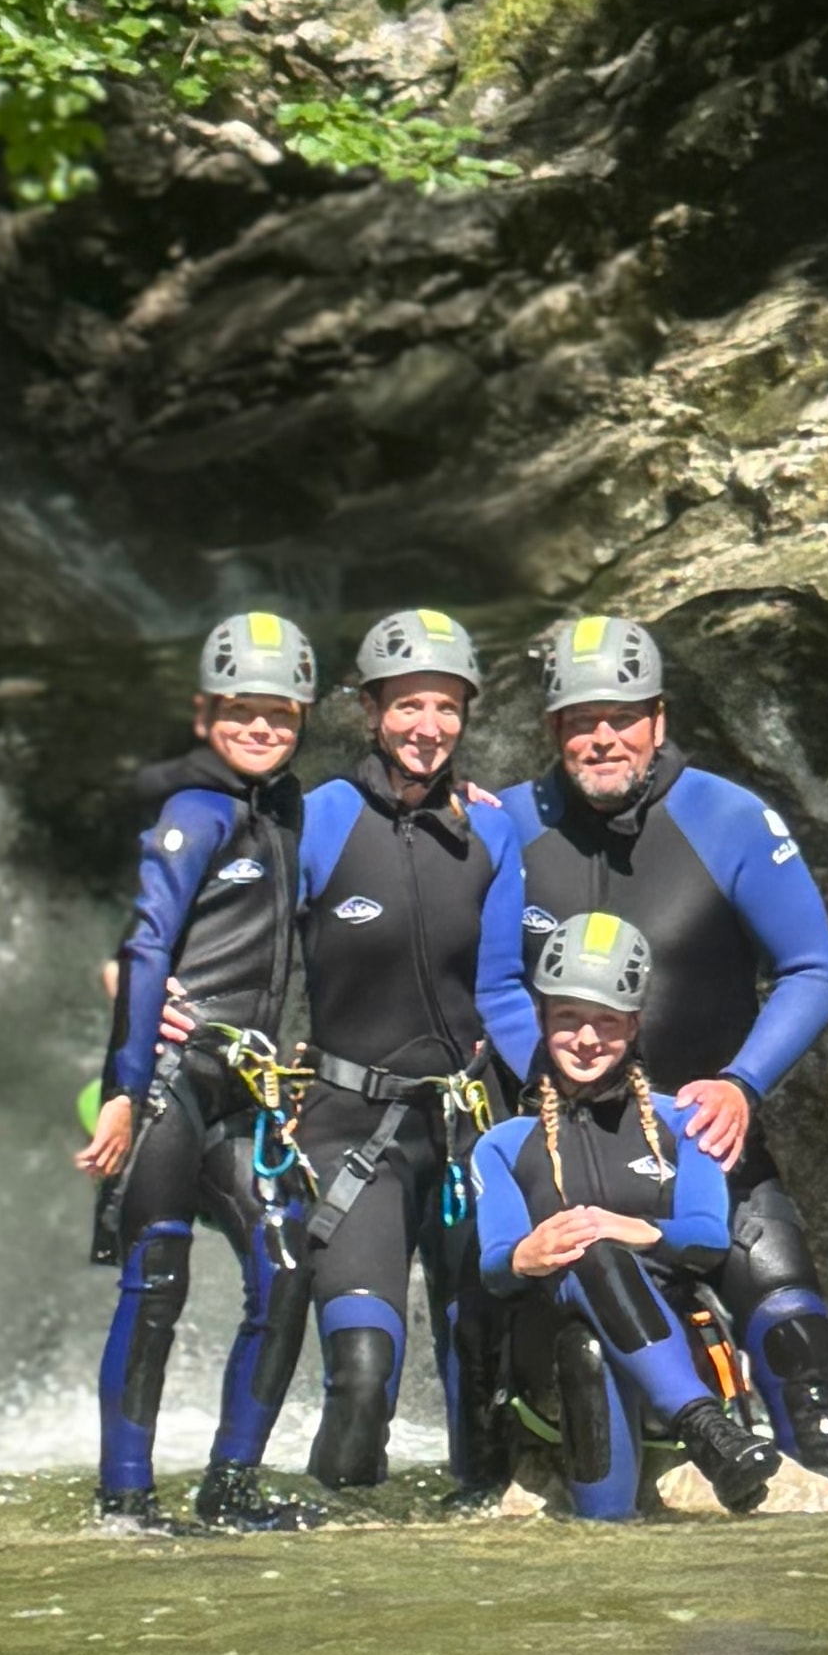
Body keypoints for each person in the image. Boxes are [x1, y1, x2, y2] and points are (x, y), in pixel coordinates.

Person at [477, 608, 828, 1488]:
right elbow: (487, 982)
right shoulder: (507, 824)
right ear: (553, 729)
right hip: (557, 1146)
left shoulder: (728, 816)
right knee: (535, 1354)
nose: (601, 738)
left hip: (704, 1138)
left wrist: (740, 1084)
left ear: (657, 718)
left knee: (793, 1334)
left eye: (621, 717)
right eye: (580, 722)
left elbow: (813, 970)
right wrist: (556, 1088)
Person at [80, 608, 325, 1532]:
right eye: (240, 711)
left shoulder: (285, 811)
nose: (260, 728)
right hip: (171, 1083)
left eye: (280, 714)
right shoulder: (194, 812)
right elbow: (145, 949)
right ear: (203, 714)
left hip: (245, 1089)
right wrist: (119, 1093)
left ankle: (230, 1487)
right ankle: (127, 1499)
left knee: (289, 1263)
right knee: (158, 1283)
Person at [291, 606, 531, 1497]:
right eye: (407, 707)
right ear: (369, 710)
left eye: (447, 708)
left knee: (484, 1363)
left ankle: (474, 1560)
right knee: (360, 1377)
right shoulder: (316, 820)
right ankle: (335, 1578)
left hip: (466, 1130)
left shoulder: (491, 830)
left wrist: (559, 1091)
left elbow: (504, 990)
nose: (428, 728)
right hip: (350, 1129)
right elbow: (248, 946)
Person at [471, 912, 776, 1519]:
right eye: (567, 1020)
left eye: (606, 1022)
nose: (586, 1040)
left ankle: (612, 1529)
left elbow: (709, 1242)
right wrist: (524, 1257)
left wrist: (639, 1231)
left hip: (674, 1340)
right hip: (550, 1370)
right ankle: (708, 1434)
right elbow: (494, 1269)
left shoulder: (684, 1122)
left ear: (634, 1026)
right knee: (588, 1275)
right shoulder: (502, 1144)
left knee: (599, 1256)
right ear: (542, 1021)